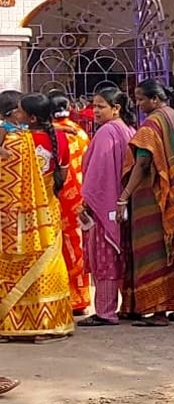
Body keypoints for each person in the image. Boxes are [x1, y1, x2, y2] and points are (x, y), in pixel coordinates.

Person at [117, 79, 174, 326]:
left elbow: (142, 164)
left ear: (155, 99)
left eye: (140, 99)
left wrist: (124, 195)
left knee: (154, 251)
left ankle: (159, 310)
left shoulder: (152, 125)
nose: (138, 104)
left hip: (153, 197)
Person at [0, 91, 74, 341]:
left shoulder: (14, 141)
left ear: (31, 118)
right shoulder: (61, 138)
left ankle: (14, 324)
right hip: (48, 210)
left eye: (19, 111)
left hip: (16, 214)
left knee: (15, 263)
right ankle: (50, 320)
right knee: (49, 264)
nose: (15, 114)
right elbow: (62, 176)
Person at [78, 89, 136, 326]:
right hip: (122, 203)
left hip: (105, 205)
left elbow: (98, 172)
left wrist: (88, 200)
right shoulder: (127, 129)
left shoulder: (107, 132)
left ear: (116, 108)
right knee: (119, 256)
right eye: (94, 106)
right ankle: (123, 306)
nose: (95, 111)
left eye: (101, 106)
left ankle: (105, 310)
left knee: (105, 258)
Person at [48, 92, 90, 315]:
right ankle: (81, 298)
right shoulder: (81, 133)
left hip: (58, 196)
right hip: (81, 196)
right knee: (79, 244)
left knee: (60, 245)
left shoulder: (50, 135)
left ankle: (64, 296)